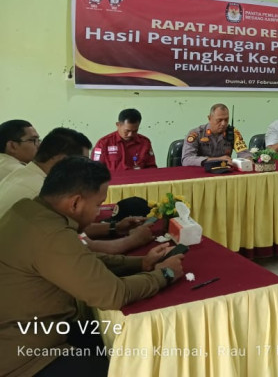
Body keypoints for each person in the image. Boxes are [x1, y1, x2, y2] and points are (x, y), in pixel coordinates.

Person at [0, 156, 184, 377]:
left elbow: (82, 260)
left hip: (36, 331)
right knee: (127, 366)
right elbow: (113, 294)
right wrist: (165, 274)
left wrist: (141, 263)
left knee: (113, 342)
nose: (99, 213)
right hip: (27, 357)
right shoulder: (51, 234)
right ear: (75, 202)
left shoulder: (28, 211)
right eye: (98, 204)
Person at [0, 127, 153, 253]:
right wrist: (134, 240)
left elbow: (69, 227)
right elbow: (84, 246)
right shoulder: (42, 193)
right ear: (61, 160)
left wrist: (115, 227)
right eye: (82, 162)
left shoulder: (25, 174)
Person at [182, 103, 251, 166]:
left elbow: (244, 153)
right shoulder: (197, 133)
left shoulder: (232, 133)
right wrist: (216, 160)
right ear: (209, 118)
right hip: (202, 172)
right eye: (219, 120)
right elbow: (186, 159)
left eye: (226, 120)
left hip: (224, 171)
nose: (223, 123)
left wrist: (248, 159)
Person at [92, 108, 157, 171]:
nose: (130, 134)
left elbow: (151, 168)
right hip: (113, 181)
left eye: (135, 131)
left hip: (138, 180)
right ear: (118, 125)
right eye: (127, 131)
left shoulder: (145, 143)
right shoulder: (103, 143)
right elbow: (95, 169)